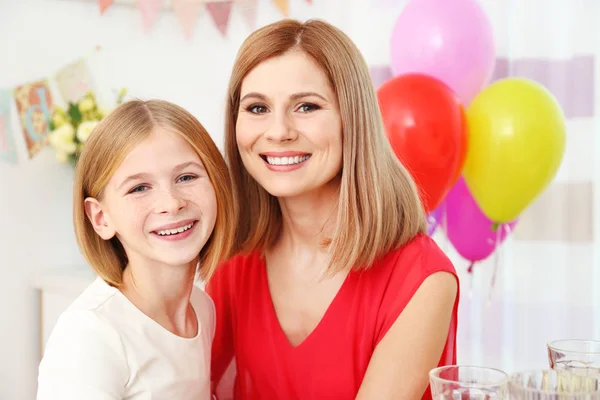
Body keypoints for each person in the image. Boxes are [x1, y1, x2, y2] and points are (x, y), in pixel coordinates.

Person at [207, 19, 460, 400]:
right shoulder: (234, 260)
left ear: (351, 120)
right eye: (257, 107)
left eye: (306, 106)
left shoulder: (422, 279)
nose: (278, 131)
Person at [37, 99, 235, 399]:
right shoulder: (91, 335)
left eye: (186, 177)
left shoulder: (202, 309)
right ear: (101, 218)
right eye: (139, 188)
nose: (171, 203)